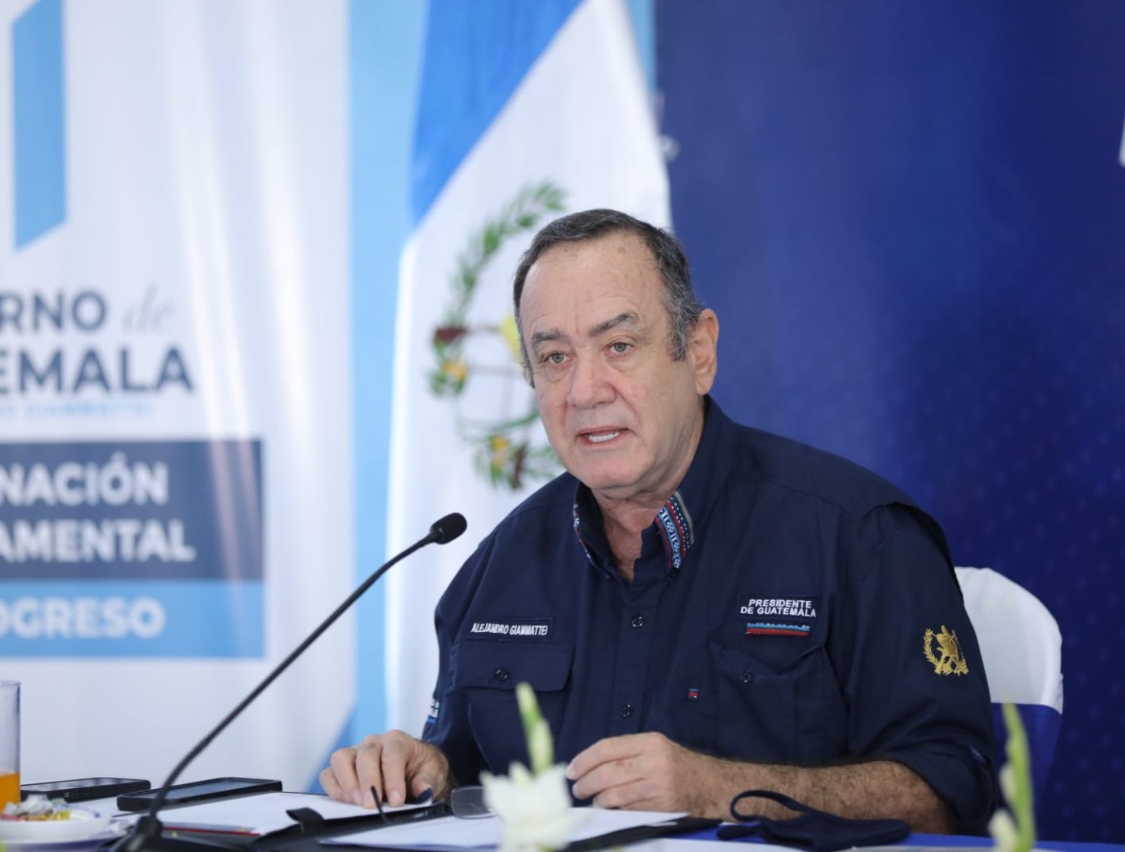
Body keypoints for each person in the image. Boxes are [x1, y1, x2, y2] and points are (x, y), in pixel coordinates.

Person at [321, 209, 995, 834]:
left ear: (698, 352)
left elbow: (951, 790)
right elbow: (470, 783)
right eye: (554, 357)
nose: (584, 391)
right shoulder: (497, 567)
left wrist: (723, 789)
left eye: (618, 345)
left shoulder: (858, 536)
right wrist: (423, 773)